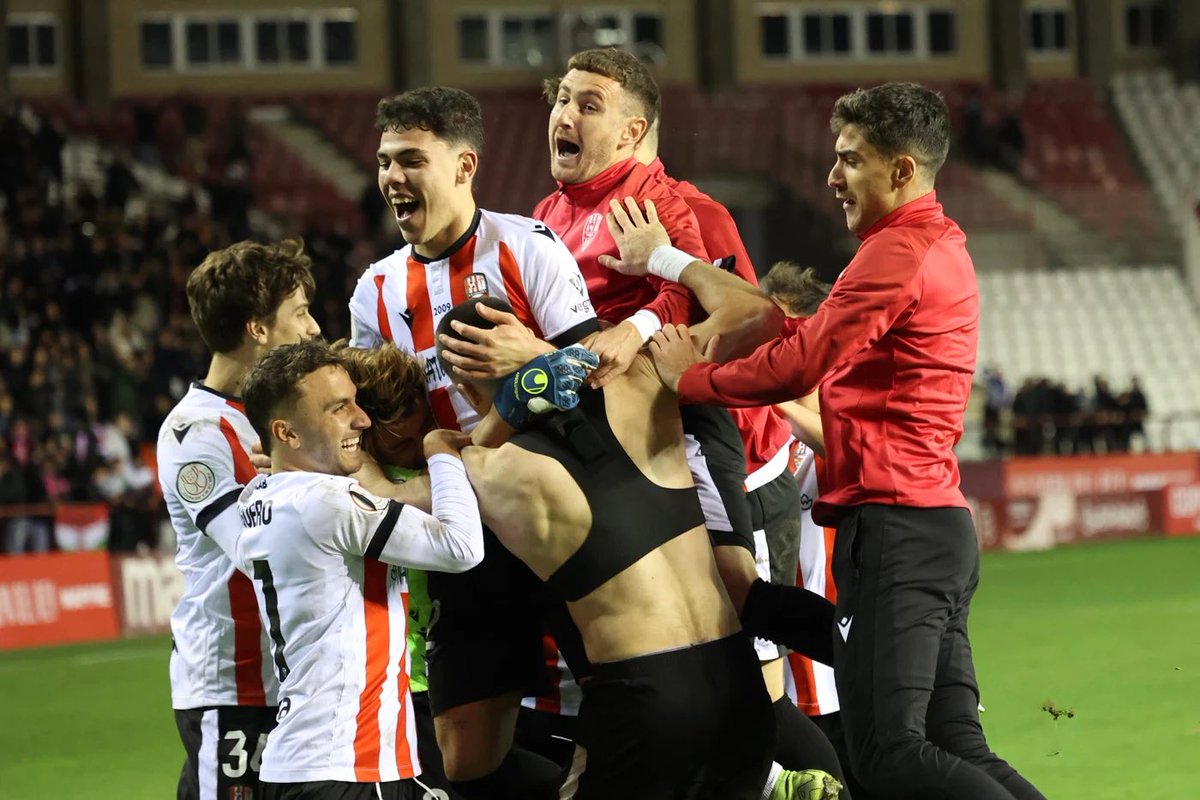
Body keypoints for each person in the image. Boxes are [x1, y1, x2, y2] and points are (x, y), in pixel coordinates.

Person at [601, 83, 1045, 799]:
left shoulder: (898, 250)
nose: (832, 177)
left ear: (901, 171)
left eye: (850, 160)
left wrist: (692, 379)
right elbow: (805, 345)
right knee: (954, 743)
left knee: (891, 756)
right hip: (932, 527)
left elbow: (803, 361)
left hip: (899, 529)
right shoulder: (937, 244)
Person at [436, 298, 837, 800]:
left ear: (465, 389)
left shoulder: (484, 473)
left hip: (646, 698)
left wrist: (441, 440)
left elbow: (405, 497)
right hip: (737, 681)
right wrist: (641, 314)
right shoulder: (637, 379)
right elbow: (757, 313)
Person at [347, 86, 598, 797]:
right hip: (465, 534)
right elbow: (376, 416)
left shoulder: (526, 247)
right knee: (465, 757)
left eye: (411, 160)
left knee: (626, 694)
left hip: (557, 516)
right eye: (384, 161)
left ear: (464, 165)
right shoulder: (375, 290)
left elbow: (594, 370)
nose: (393, 177)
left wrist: (531, 362)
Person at [634, 127, 852, 795]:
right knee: (730, 672)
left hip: (751, 488)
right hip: (716, 482)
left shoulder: (695, 218)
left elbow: (750, 324)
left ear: (636, 130)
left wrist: (696, 372)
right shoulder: (575, 223)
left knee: (764, 687)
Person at [236, 339, 486, 800]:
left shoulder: (257, 499)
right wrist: (443, 454)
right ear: (286, 434)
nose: (363, 419)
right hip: (347, 766)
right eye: (338, 408)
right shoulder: (328, 502)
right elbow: (462, 547)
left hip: (308, 765)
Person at [156, 239, 321, 800]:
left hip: (289, 680)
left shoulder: (273, 415)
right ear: (258, 329)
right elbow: (253, 548)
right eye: (299, 314)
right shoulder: (194, 434)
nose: (314, 328)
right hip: (232, 683)